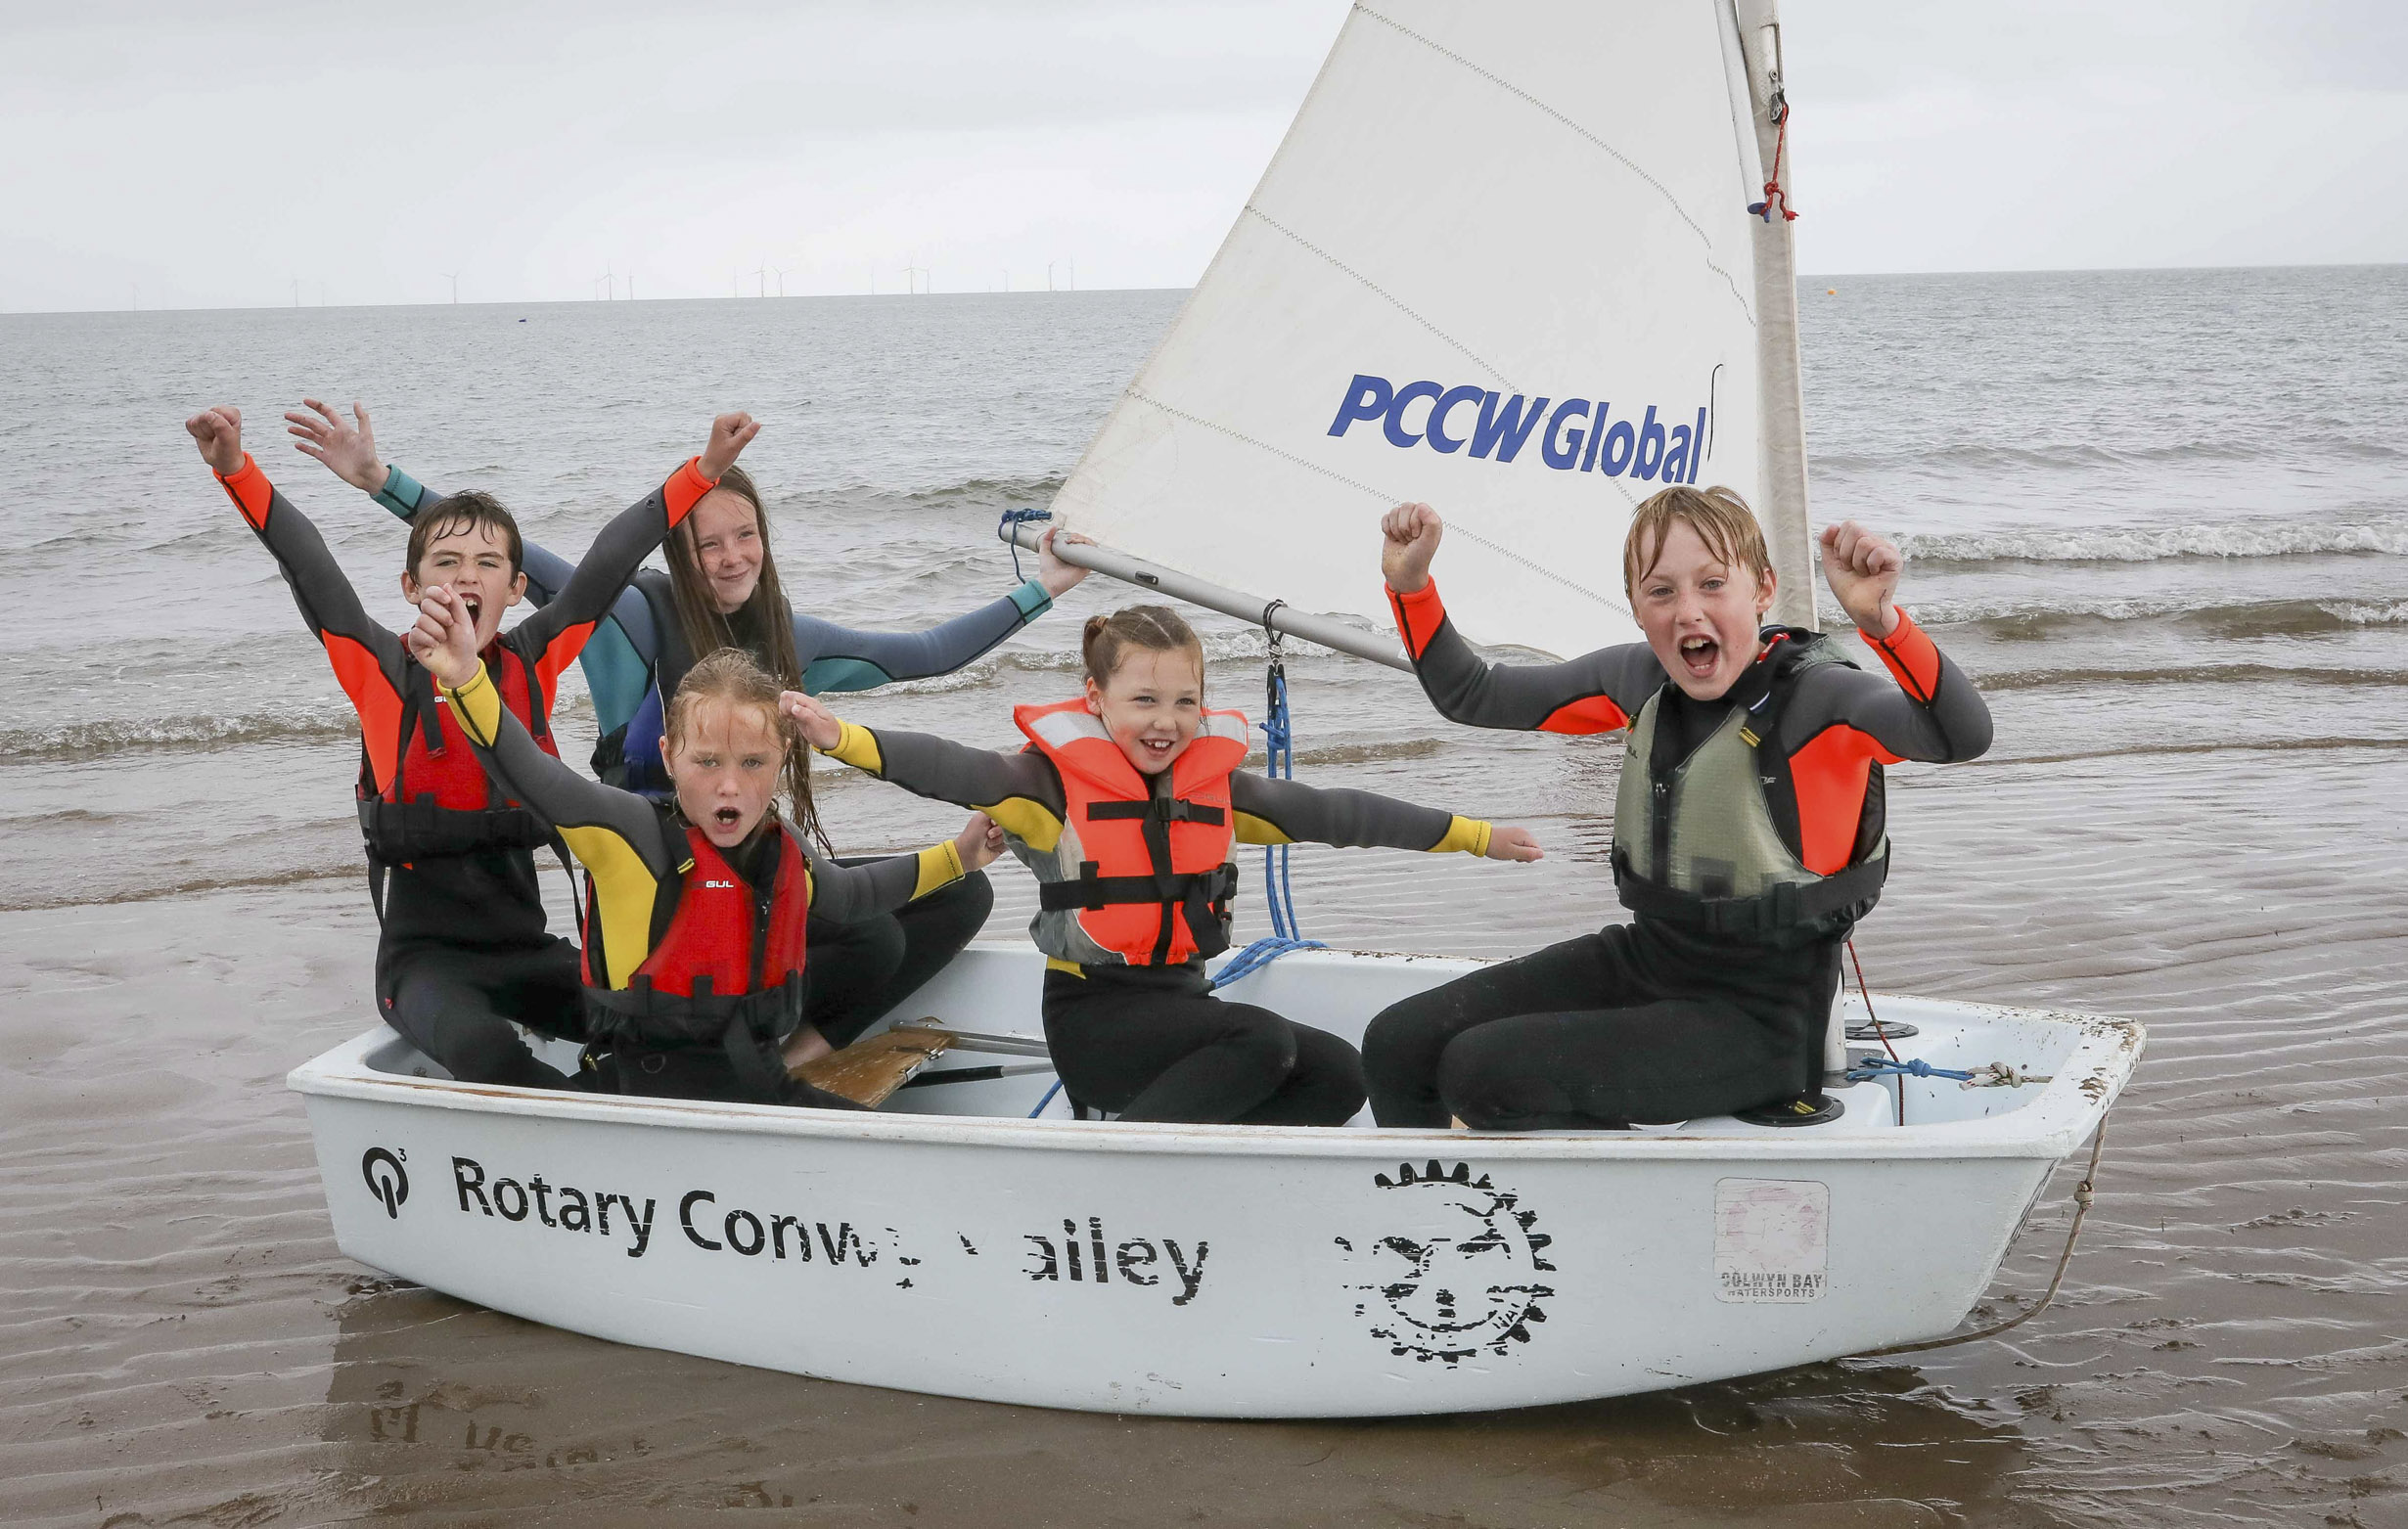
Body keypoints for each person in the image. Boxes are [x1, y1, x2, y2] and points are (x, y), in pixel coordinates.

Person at [284, 400, 1081, 1064]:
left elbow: (928, 654)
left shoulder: (789, 638)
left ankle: (795, 1053)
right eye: (708, 542)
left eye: (746, 536)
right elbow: (525, 564)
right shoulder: (633, 617)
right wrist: (381, 483)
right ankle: (727, 1049)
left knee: (956, 896)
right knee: (867, 938)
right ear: (679, 549)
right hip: (652, 881)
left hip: (750, 867)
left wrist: (1044, 585)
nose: (731, 558)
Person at [1360, 487, 1993, 1130]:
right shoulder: (1638, 681)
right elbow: (1473, 694)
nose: (1688, 611)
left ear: (1763, 587)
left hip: (1763, 1018)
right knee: (1399, 1042)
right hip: (1648, 960)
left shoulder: (1820, 700)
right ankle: (1425, 1214)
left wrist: (1883, 624)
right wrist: (1410, 586)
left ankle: (1593, 1210)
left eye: (1713, 583)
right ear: (1634, 606)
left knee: (1482, 1071)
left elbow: (1958, 735)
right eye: (1660, 591)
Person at [780, 605, 1545, 1126]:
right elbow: (948, 765)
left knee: (1340, 1072)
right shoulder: (1045, 792)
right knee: (1263, 1043)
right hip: (1094, 1025)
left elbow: (1341, 813)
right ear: (1096, 697)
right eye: (1143, 699)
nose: (1166, 721)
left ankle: (1207, 1179)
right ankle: (1120, 1169)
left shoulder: (1216, 792)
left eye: (1185, 702)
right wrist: (840, 735)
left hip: (1181, 1010)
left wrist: (1475, 835)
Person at [185, 404, 759, 1088]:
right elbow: (309, 565)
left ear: (516, 589)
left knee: (666, 1020)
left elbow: (611, 557)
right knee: (490, 1056)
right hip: (425, 966)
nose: (466, 576)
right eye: (447, 560)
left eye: (488, 563)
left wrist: (705, 472)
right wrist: (235, 471)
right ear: (411, 585)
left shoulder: (534, 661)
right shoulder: (382, 675)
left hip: (529, 951)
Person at [406, 588, 1005, 1106]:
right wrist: (465, 679)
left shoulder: (778, 845)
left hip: (763, 1088)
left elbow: (853, 895)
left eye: (752, 763)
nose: (729, 784)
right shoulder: (626, 837)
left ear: (783, 759)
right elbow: (530, 772)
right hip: (640, 1102)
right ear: (669, 756)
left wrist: (960, 857)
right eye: (707, 761)